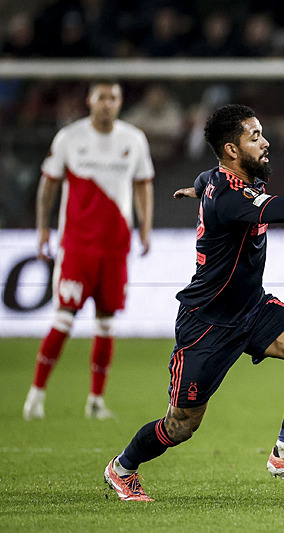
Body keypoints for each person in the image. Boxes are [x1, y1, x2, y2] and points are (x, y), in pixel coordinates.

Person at [103, 104, 284, 501]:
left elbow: (205, 178)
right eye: (254, 137)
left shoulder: (219, 181)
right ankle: (123, 467)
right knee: (181, 425)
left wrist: (198, 190)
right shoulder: (230, 197)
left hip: (252, 309)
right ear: (231, 150)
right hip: (207, 322)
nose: (265, 141)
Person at [23, 80, 154, 421]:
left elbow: (143, 184)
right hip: (78, 246)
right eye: (101, 97)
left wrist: (145, 226)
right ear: (89, 101)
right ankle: (36, 396)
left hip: (115, 247)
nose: (107, 104)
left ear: (121, 102)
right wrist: (42, 228)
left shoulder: (134, 139)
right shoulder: (70, 138)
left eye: (113, 98)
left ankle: (95, 402)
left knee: (106, 323)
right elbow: (48, 184)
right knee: (64, 318)